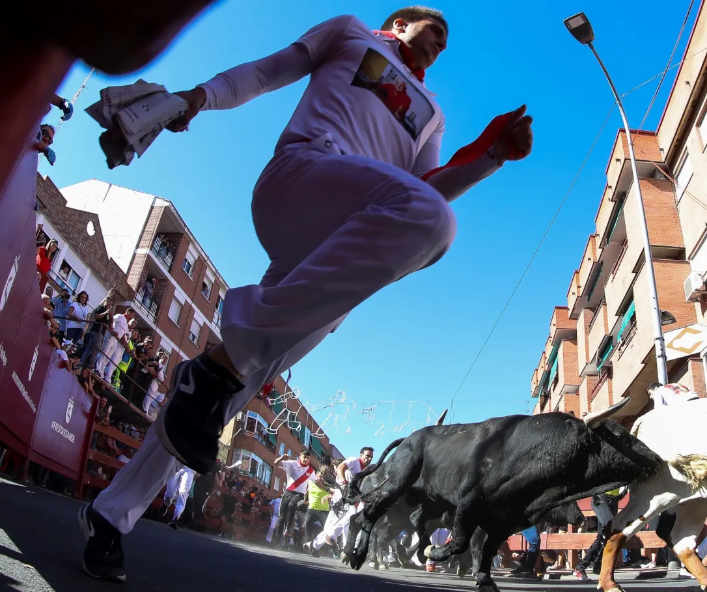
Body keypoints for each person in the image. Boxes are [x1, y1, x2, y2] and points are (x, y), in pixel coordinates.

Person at [80, 6, 532, 581]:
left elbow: (425, 187)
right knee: (434, 223)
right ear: (398, 22)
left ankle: (110, 515)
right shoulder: (351, 33)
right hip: (303, 176)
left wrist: (489, 158)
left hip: (336, 247)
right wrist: (200, 97)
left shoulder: (432, 114)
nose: (441, 44)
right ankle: (222, 358)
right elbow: (269, 71)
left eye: (447, 43)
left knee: (228, 392)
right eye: (433, 30)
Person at [272, 450, 319, 547]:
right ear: (300, 456)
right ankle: (277, 540)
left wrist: (323, 482)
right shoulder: (292, 464)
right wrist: (282, 457)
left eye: (308, 458)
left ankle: (289, 528)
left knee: (292, 504)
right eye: (304, 457)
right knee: (282, 517)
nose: (306, 459)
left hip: (299, 495)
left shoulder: (310, 471)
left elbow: (316, 482)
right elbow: (276, 463)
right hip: (288, 492)